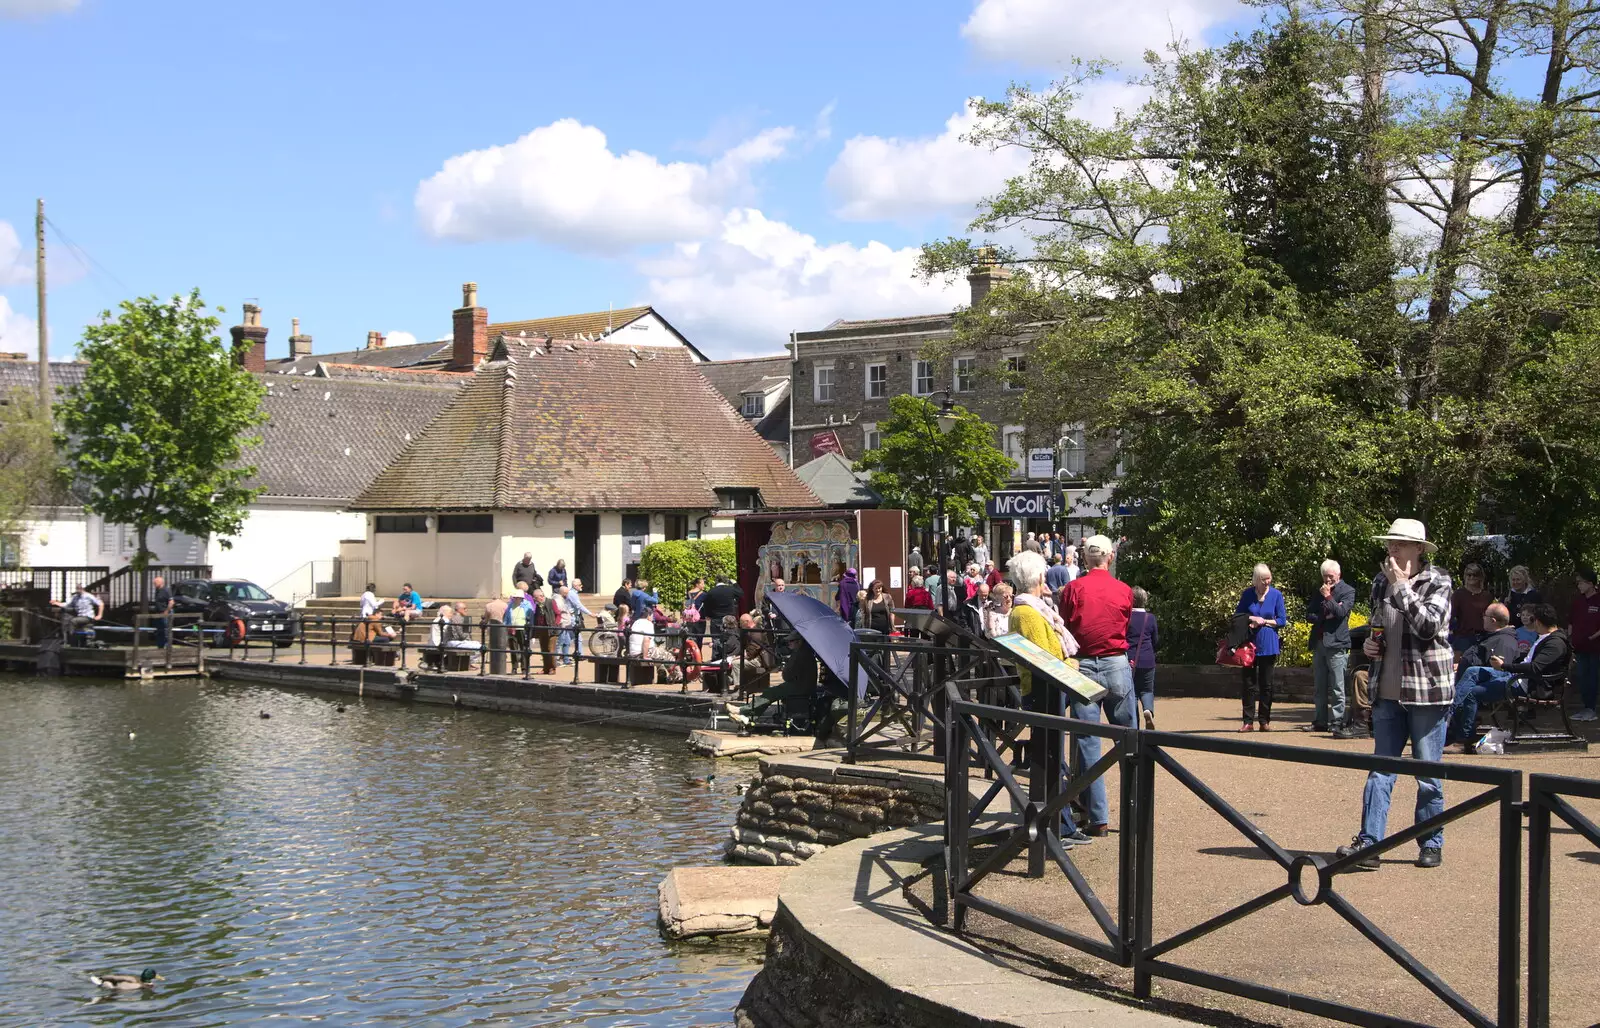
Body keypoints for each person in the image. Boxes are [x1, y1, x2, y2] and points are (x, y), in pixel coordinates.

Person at [1335, 518, 1455, 872]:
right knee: (1380, 770)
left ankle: (1431, 841)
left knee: (1427, 774)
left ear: (1418, 549)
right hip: (1386, 690)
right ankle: (1370, 843)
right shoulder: (1378, 583)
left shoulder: (1439, 581)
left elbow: (1428, 626)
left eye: (1400, 544)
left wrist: (1402, 587)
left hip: (1427, 693)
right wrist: (1373, 644)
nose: (1392, 549)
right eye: (1390, 543)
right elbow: (1381, 625)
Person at [1008, 550, 1094, 843]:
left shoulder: (1031, 608)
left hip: (1046, 688)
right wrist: (1073, 665)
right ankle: (1060, 828)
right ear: (1039, 577)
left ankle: (1065, 824)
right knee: (1052, 761)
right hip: (1043, 690)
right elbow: (1046, 657)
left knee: (1055, 760)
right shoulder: (1028, 612)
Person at [1058, 534, 1135, 837]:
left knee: (1088, 742)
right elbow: (1124, 621)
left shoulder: (1073, 589)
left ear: (1085, 559)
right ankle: (1133, 811)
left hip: (1084, 664)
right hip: (1116, 661)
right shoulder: (1124, 590)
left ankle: (1098, 817)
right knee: (1129, 741)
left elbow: (1064, 625)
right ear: (1110, 557)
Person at [1445, 603, 1525, 750]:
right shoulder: (1491, 636)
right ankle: (1448, 731)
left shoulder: (1505, 640)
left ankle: (1450, 719)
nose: (1482, 618)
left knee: (1471, 682)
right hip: (1465, 680)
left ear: (1493, 620)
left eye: (1485, 616)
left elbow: (1501, 669)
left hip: (1492, 682)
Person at [1234, 564, 1287, 731]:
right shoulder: (1247, 594)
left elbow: (1282, 620)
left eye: (1269, 579)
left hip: (1269, 643)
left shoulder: (1276, 595)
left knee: (1267, 684)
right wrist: (1252, 618)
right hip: (1249, 644)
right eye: (1263, 580)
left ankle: (1264, 721)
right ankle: (1247, 722)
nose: (1267, 582)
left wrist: (1264, 621)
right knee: (1248, 684)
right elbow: (1238, 616)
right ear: (1256, 580)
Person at [1308, 559, 1357, 733]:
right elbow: (1310, 613)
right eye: (1325, 576)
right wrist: (1324, 615)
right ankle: (1320, 721)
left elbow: (1341, 613)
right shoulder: (1318, 590)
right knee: (1319, 686)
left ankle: (1337, 722)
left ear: (1339, 575)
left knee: (1337, 685)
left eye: (1331, 576)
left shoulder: (1348, 591)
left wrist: (1328, 597)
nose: (1327, 580)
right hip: (1319, 643)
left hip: (1337, 643)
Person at [1565, 567, 1600, 722]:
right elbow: (1571, 622)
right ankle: (1586, 708)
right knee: (1582, 678)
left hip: (1596, 648)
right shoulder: (1577, 601)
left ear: (1591, 583)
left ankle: (1591, 709)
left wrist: (1593, 637)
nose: (1579, 586)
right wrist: (1569, 640)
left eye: (1581, 583)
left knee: (1593, 678)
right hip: (1579, 647)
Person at [1128, 586, 1158, 729]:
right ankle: (1148, 710)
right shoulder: (1150, 618)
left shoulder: (1126, 618)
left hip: (1129, 660)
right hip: (1147, 659)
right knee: (1147, 690)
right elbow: (1155, 640)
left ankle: (1134, 725)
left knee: (1132, 693)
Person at [1450, 563, 1493, 652]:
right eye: (1469, 574)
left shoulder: (1487, 596)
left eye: (1475, 574)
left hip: (1484, 637)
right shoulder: (1458, 594)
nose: (1472, 577)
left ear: (1480, 577)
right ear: (1465, 576)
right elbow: (1450, 615)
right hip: (1463, 637)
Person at [563, 581, 597, 663]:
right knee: (576, 637)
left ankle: (570, 654)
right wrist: (590, 613)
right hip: (571, 618)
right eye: (580, 584)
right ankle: (578, 655)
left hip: (574, 617)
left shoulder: (574, 593)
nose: (582, 586)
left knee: (571, 637)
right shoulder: (572, 594)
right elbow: (578, 605)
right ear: (575, 586)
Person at [503, 584, 532, 673]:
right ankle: (514, 667)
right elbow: (506, 617)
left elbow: (530, 616)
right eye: (514, 597)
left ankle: (524, 668)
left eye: (517, 597)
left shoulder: (527, 605)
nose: (515, 599)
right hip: (512, 629)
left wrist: (530, 628)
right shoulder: (510, 605)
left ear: (521, 598)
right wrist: (506, 626)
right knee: (513, 649)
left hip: (522, 629)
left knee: (523, 648)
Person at [530, 587, 558, 674]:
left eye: (535, 597)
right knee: (543, 649)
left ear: (541, 596)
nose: (534, 599)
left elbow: (558, 614)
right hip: (541, 629)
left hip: (551, 629)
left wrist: (555, 624)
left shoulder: (551, 602)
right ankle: (545, 668)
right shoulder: (538, 605)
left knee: (550, 650)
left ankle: (552, 668)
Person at [150, 574, 174, 649]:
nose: (154, 584)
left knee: (166, 631)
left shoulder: (166, 590)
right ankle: (160, 647)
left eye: (155, 583)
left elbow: (171, 602)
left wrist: (167, 611)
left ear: (160, 582)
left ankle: (167, 647)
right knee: (159, 631)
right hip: (158, 613)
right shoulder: (157, 591)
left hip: (165, 613)